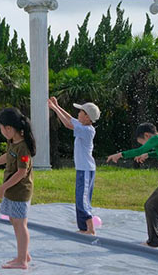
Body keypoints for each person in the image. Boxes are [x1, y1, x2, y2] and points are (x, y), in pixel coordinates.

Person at [107, 123, 158, 252]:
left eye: (143, 143)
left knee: (150, 206)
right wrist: (148, 155)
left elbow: (139, 151)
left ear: (147, 135)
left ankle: (153, 241)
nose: (144, 146)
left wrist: (120, 154)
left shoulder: (156, 139)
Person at [0, 107, 36, 270]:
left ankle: (22, 261)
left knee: (20, 224)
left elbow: (21, 172)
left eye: (1, 128)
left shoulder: (23, 148)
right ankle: (23, 254)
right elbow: (8, 156)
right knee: (15, 220)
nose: (1, 132)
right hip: (12, 190)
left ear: (9, 128)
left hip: (20, 191)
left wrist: (2, 188)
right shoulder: (13, 142)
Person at [48, 97, 100, 235]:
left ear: (87, 117)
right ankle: (83, 228)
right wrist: (57, 106)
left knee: (82, 198)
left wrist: (53, 108)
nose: (78, 114)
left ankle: (90, 228)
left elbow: (67, 124)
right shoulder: (83, 126)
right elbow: (70, 118)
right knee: (79, 198)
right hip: (82, 169)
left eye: (81, 112)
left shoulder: (88, 130)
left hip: (86, 169)